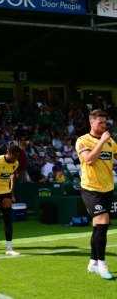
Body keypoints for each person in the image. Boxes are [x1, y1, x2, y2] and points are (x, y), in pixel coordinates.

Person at [75, 109, 116, 280]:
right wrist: (102, 141)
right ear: (92, 123)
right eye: (100, 122)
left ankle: (92, 261)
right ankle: (102, 264)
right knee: (103, 221)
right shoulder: (82, 140)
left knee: (98, 226)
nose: (104, 125)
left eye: (105, 123)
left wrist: (107, 141)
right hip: (91, 188)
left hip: (107, 188)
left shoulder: (111, 142)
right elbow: (89, 159)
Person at [0, 144, 21, 256]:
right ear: (8, 152)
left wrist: (11, 193)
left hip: (5, 194)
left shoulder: (15, 163)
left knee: (8, 219)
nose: (15, 159)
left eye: (17, 157)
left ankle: (9, 248)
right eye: (14, 156)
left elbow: (12, 176)